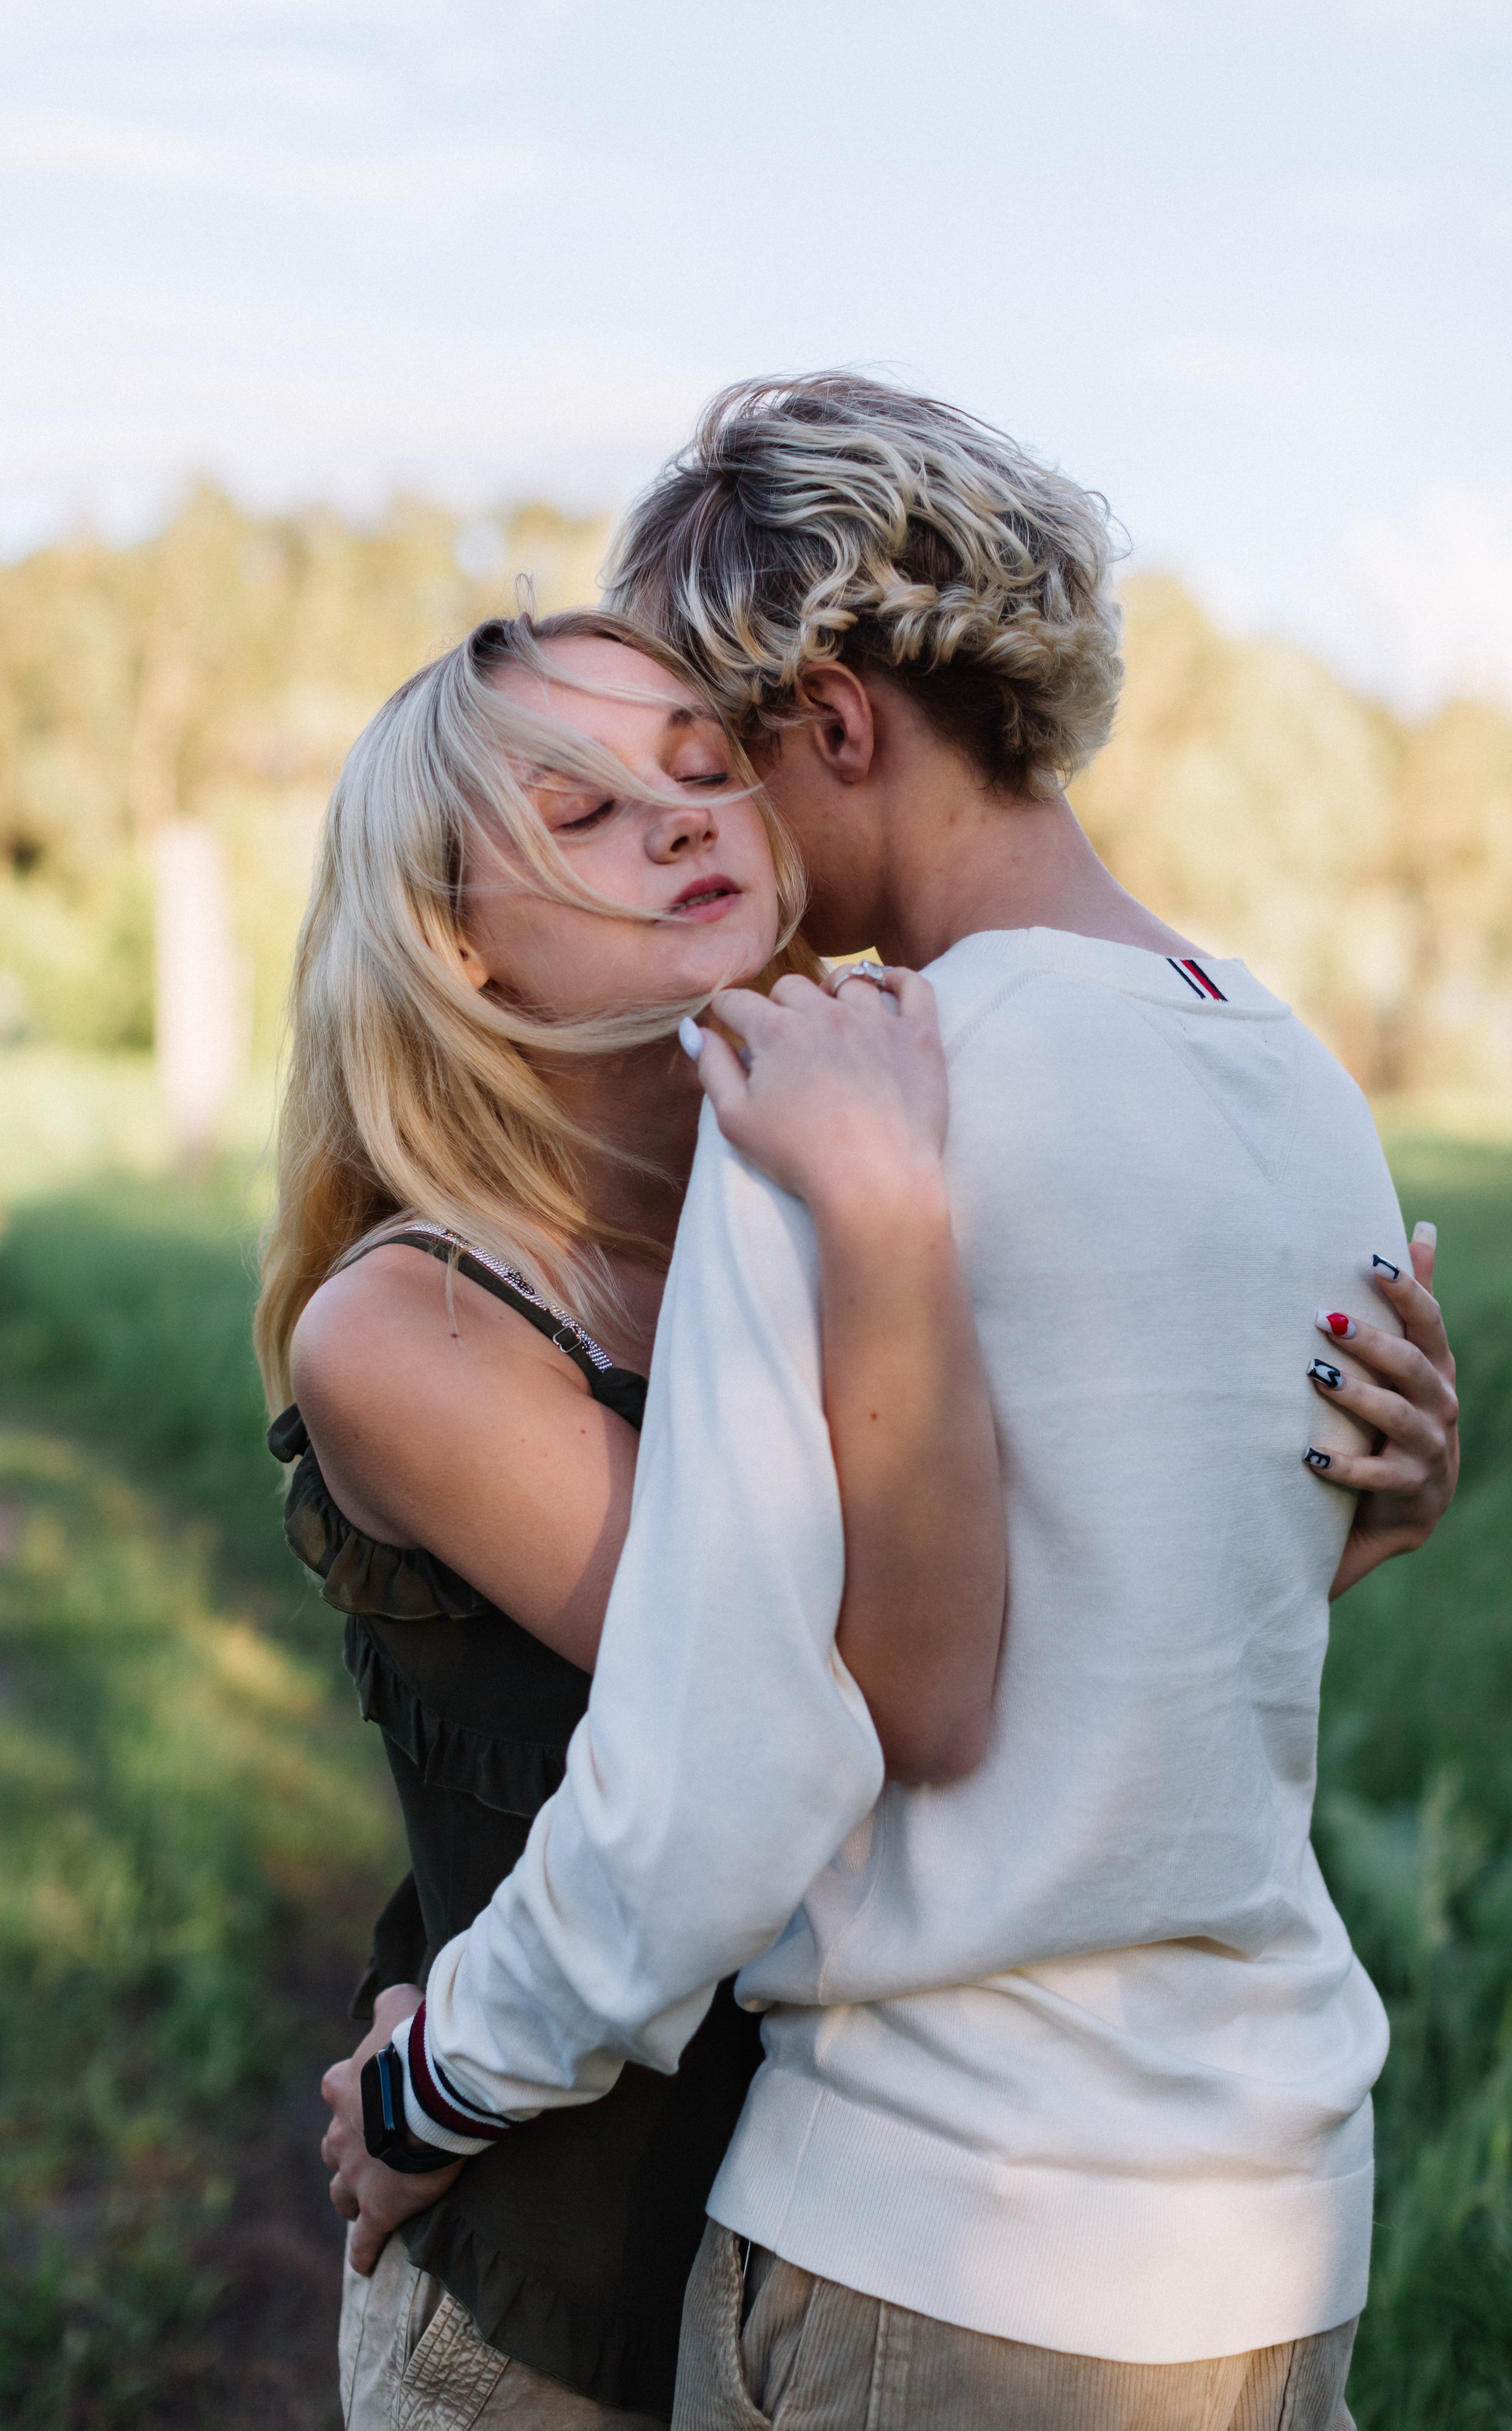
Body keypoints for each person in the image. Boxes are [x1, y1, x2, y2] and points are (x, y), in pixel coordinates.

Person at [377, 377, 1461, 2431]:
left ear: (841, 727)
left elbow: (722, 1763)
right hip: (1280, 2232)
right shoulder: (1304, 1086)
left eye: (718, 757)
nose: (703, 829)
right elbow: (1192, 1616)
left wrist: (442, 2079)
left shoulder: (846, 1093)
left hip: (937, 2236)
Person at [254, 606, 1012, 2427]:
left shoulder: (870, 1172)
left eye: (699, 768)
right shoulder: (412, 1327)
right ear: (458, 942)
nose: (683, 821)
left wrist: (1339, 1495)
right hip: (552, 2311)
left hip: (871, 2271)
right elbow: (830, 1691)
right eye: (580, 814)